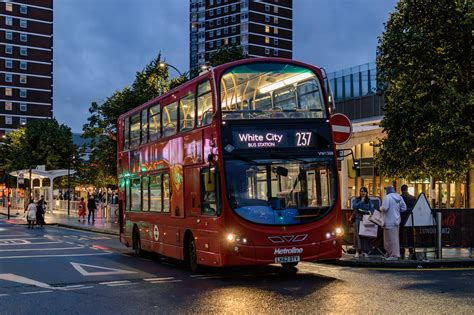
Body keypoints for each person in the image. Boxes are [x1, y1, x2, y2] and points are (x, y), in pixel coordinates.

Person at [380, 186, 407, 260]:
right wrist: (397, 211)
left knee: (388, 239)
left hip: (388, 221)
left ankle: (393, 255)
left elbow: (385, 208)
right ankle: (391, 254)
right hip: (396, 221)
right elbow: (404, 208)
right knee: (394, 239)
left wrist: (380, 208)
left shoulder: (387, 197)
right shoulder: (399, 197)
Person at [351, 187, 374, 258]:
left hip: (365, 219)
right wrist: (361, 201)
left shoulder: (369, 200)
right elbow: (354, 206)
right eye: (361, 191)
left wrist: (367, 212)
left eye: (364, 191)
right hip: (357, 219)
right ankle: (357, 251)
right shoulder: (356, 199)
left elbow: (371, 208)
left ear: (366, 192)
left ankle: (364, 251)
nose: (363, 192)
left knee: (364, 236)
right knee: (357, 236)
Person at [400, 185, 417, 259]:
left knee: (401, 234)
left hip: (401, 217)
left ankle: (402, 249)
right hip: (410, 217)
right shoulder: (413, 197)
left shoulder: (399, 197)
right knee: (410, 233)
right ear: (407, 189)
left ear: (401, 190)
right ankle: (411, 249)